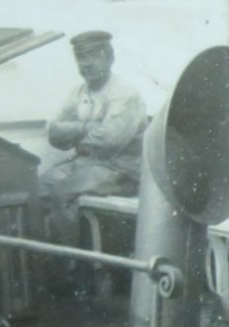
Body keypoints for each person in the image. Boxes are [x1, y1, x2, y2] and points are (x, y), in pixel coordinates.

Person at [39, 30, 148, 247]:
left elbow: (110, 139)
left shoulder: (124, 93)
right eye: (80, 57)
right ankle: (49, 253)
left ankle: (71, 263)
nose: (86, 63)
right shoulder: (77, 93)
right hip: (86, 164)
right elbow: (53, 134)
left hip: (121, 170)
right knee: (40, 187)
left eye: (93, 56)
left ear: (109, 57)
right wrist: (89, 128)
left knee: (63, 191)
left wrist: (73, 131)